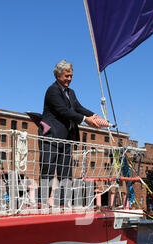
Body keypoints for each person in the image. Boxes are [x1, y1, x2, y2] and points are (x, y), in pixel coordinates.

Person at [38, 59, 107, 207]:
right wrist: (85, 120)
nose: (69, 79)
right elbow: (64, 111)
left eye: (71, 76)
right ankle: (42, 203)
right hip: (51, 137)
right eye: (66, 76)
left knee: (65, 173)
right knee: (47, 170)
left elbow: (78, 107)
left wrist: (95, 116)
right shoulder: (53, 91)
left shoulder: (71, 92)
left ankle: (63, 203)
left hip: (66, 139)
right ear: (58, 75)